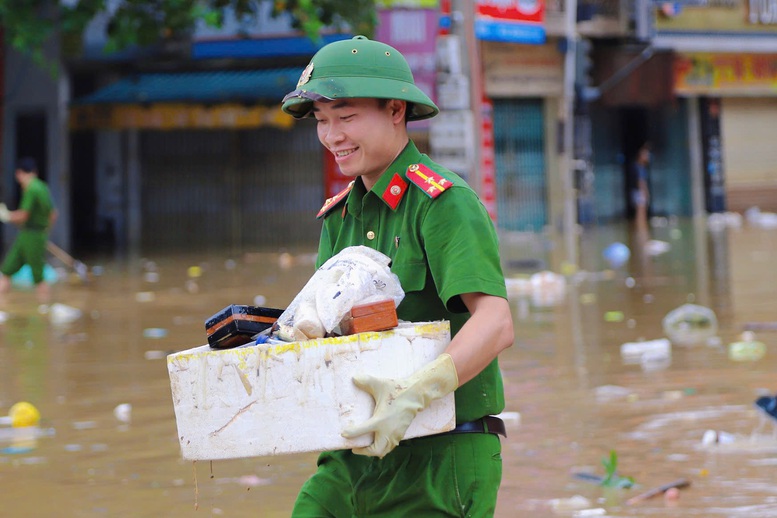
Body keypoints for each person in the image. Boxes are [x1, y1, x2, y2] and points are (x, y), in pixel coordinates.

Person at [281, 36, 515, 517]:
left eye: (345, 118)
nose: (332, 136)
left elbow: (495, 322)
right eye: (322, 122)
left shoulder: (443, 203)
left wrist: (413, 395)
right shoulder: (339, 217)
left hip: (441, 457)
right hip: (352, 457)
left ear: (394, 111)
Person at [0, 157, 59, 301]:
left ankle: (44, 310)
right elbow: (53, 214)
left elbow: (23, 215)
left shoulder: (31, 189)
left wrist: (6, 216)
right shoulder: (42, 187)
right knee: (6, 270)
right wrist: (46, 231)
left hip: (32, 236)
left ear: (20, 173)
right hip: (27, 235)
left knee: (38, 277)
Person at [631, 142, 651, 235]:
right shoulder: (638, 167)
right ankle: (641, 231)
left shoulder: (641, 167)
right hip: (639, 192)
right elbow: (640, 182)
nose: (647, 157)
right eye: (645, 155)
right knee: (640, 212)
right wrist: (645, 192)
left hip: (638, 192)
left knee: (641, 212)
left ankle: (641, 231)